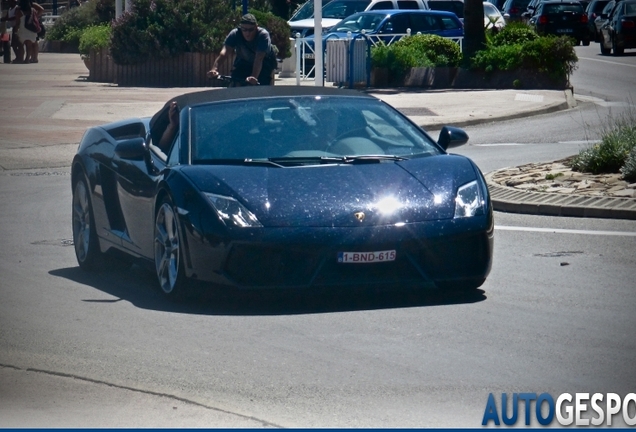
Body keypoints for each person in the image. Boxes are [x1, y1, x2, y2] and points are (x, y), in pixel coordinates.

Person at [207, 13, 277, 86]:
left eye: (251, 30)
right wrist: (214, 69)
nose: (247, 33)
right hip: (244, 62)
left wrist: (253, 77)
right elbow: (224, 53)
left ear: (256, 27)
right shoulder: (235, 33)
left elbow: (259, 58)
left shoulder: (263, 35)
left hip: (263, 64)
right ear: (240, 28)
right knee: (235, 81)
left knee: (260, 85)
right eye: (244, 29)